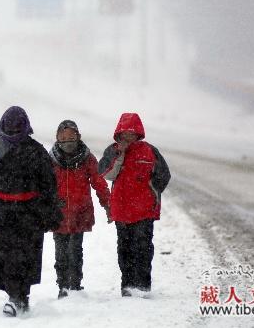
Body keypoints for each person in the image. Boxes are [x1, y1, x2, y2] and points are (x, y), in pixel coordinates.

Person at [0, 106, 62, 317]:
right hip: (1, 212)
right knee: (6, 257)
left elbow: (49, 185)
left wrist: (49, 213)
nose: (13, 131)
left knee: (24, 257)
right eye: (9, 126)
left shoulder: (36, 151)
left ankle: (17, 298)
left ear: (25, 127)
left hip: (30, 213)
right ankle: (17, 297)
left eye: (17, 127)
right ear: (2, 126)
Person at [98, 113, 170, 297]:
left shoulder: (150, 151)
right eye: (124, 134)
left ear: (139, 133)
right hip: (121, 210)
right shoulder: (112, 151)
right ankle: (128, 287)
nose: (128, 137)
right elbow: (106, 174)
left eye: (132, 133)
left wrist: (151, 191)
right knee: (125, 249)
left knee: (144, 248)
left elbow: (163, 175)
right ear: (119, 134)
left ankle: (143, 286)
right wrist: (119, 155)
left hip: (144, 210)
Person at [49, 120, 111, 299]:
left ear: (78, 137)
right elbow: (43, 186)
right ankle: (62, 286)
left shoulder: (87, 159)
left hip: (79, 214)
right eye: (62, 137)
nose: (67, 141)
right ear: (57, 138)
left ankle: (75, 286)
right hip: (58, 214)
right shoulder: (50, 160)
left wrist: (107, 204)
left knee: (75, 251)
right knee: (60, 254)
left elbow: (99, 183)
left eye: (71, 137)